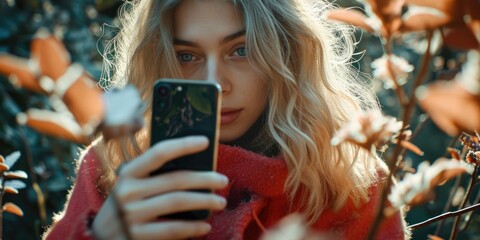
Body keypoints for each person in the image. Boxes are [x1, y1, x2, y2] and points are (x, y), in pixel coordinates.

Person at [44, 0, 409, 239]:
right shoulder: (112, 167)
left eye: (241, 49)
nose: (215, 82)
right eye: (187, 56)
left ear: (287, 52)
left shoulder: (349, 180)